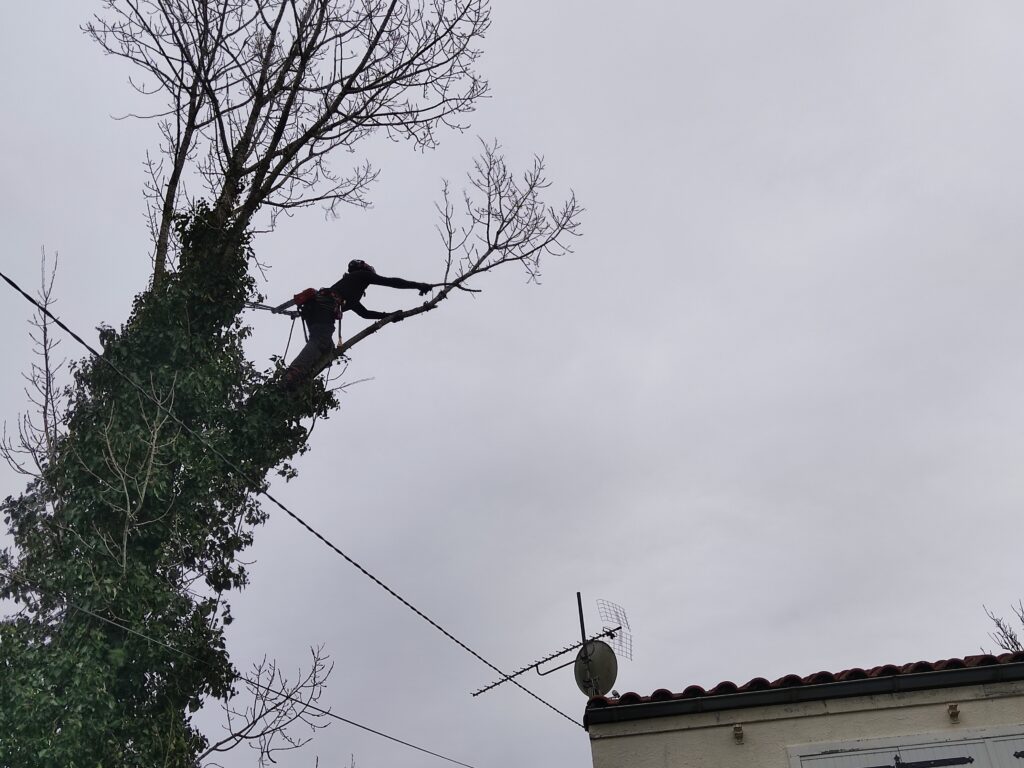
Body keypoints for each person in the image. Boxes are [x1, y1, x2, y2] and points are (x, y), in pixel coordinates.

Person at [280, 259, 432, 390]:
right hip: (323, 307)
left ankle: (301, 379)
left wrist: (389, 316)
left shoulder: (350, 292)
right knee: (320, 340)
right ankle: (293, 374)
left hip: (316, 310)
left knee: (327, 351)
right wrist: (419, 285)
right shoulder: (361, 276)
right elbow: (392, 282)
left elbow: (364, 313)